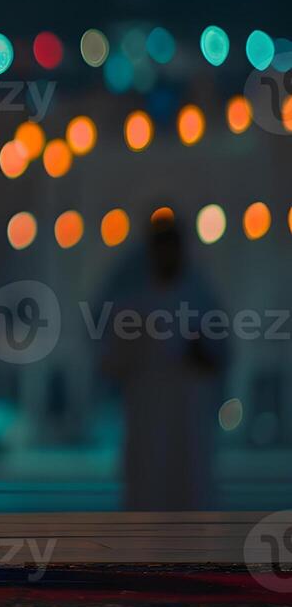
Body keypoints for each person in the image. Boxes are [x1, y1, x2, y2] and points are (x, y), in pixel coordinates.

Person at [98, 212, 225, 510]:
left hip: (189, 427)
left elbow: (220, 358)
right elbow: (110, 363)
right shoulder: (132, 306)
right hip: (147, 425)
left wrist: (196, 350)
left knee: (190, 500)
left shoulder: (201, 301)